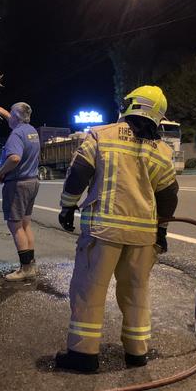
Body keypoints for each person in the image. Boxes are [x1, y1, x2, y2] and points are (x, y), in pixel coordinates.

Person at [55, 86, 178, 372]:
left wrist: (67, 206)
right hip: (142, 237)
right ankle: (136, 353)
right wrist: (161, 232)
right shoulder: (161, 149)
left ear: (130, 105)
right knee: (136, 293)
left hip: (103, 233)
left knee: (89, 291)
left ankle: (83, 355)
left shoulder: (101, 134)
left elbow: (78, 174)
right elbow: (169, 194)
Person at [0, 102, 41, 282]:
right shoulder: (31, 130)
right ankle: (31, 264)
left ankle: (25, 268)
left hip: (18, 184)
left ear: (15, 117)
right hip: (32, 181)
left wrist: (0, 172)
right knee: (26, 224)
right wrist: (4, 112)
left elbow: (14, 158)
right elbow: (15, 120)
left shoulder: (15, 135)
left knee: (15, 226)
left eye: (11, 114)